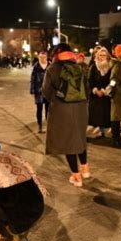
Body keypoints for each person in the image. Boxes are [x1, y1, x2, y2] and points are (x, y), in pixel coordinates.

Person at [42, 43, 89, 187]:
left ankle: (76, 176)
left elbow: (46, 91)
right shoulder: (79, 67)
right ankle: (85, 169)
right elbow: (86, 88)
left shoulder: (53, 68)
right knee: (80, 138)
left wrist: (57, 100)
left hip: (61, 109)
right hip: (81, 108)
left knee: (67, 142)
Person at [87, 47, 112, 138]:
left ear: (107, 56)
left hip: (106, 94)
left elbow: (112, 80)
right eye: (100, 55)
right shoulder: (94, 66)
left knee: (106, 113)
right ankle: (100, 131)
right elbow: (90, 79)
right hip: (95, 94)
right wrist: (95, 90)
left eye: (104, 55)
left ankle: (105, 131)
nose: (102, 57)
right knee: (97, 114)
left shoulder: (110, 66)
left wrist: (105, 90)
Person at [30, 52, 50, 133]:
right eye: (41, 57)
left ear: (46, 57)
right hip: (38, 90)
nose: (42, 59)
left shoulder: (50, 66)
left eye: (44, 57)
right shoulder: (36, 66)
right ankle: (40, 125)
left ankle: (48, 124)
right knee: (39, 109)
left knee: (48, 109)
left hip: (48, 91)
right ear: (38, 58)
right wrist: (32, 90)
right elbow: (33, 79)